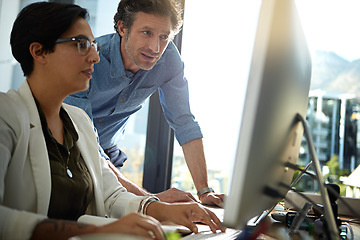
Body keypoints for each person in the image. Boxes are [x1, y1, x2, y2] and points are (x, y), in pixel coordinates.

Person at [0, 2, 226, 240]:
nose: (95, 56)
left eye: (93, 45)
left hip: (103, 154)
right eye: (81, 44)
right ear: (39, 52)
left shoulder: (79, 123)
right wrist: (101, 228)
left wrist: (169, 208)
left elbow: (111, 195)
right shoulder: (7, 115)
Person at [64, 0, 225, 207]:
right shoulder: (89, 60)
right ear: (123, 28)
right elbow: (84, 139)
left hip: (109, 156)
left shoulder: (169, 61)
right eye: (146, 33)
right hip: (71, 150)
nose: (155, 48)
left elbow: (184, 121)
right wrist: (149, 198)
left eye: (164, 37)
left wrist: (204, 192)